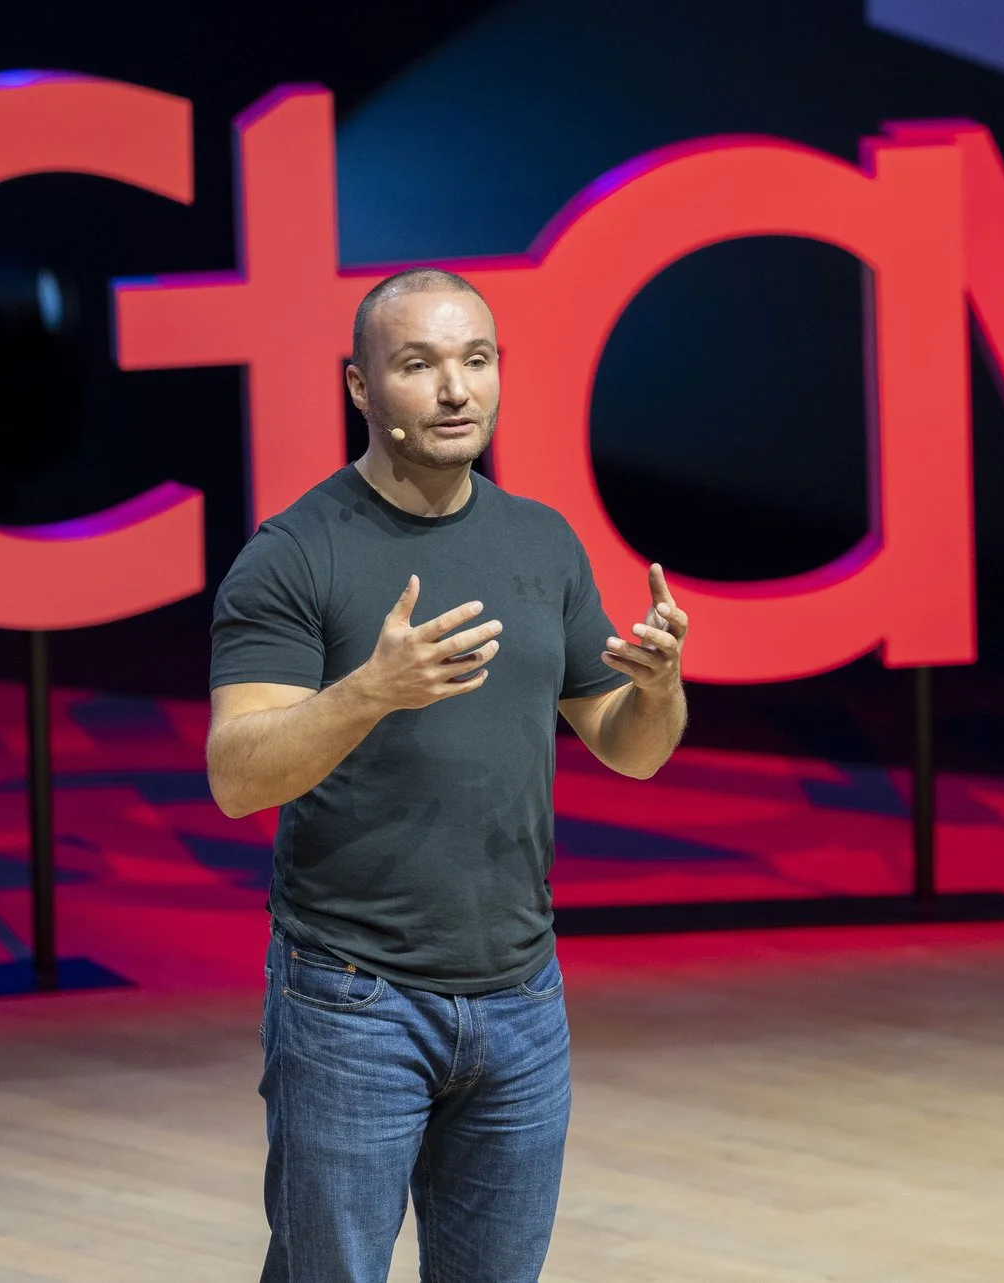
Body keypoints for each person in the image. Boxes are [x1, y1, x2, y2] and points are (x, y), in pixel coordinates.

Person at [205, 266, 689, 1283]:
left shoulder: (539, 540)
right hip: (352, 999)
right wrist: (371, 690)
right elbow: (237, 775)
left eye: (475, 359)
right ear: (360, 385)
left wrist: (658, 686)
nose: (456, 388)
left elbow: (631, 748)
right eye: (418, 364)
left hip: (521, 996)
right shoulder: (294, 555)